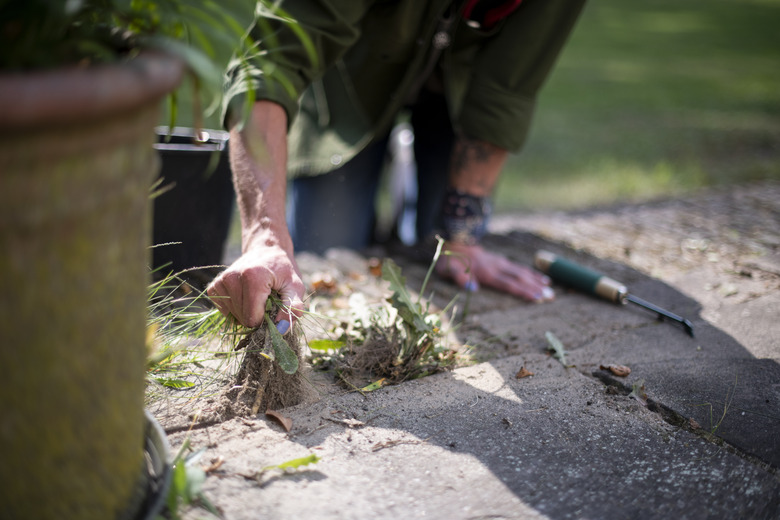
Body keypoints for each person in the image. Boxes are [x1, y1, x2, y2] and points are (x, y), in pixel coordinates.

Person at [207, 0, 586, 331]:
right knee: (320, 252)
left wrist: (461, 235)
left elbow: (507, 89)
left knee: (442, 254)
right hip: (350, 87)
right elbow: (271, 64)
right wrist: (265, 235)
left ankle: (404, 188)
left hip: (458, 98)